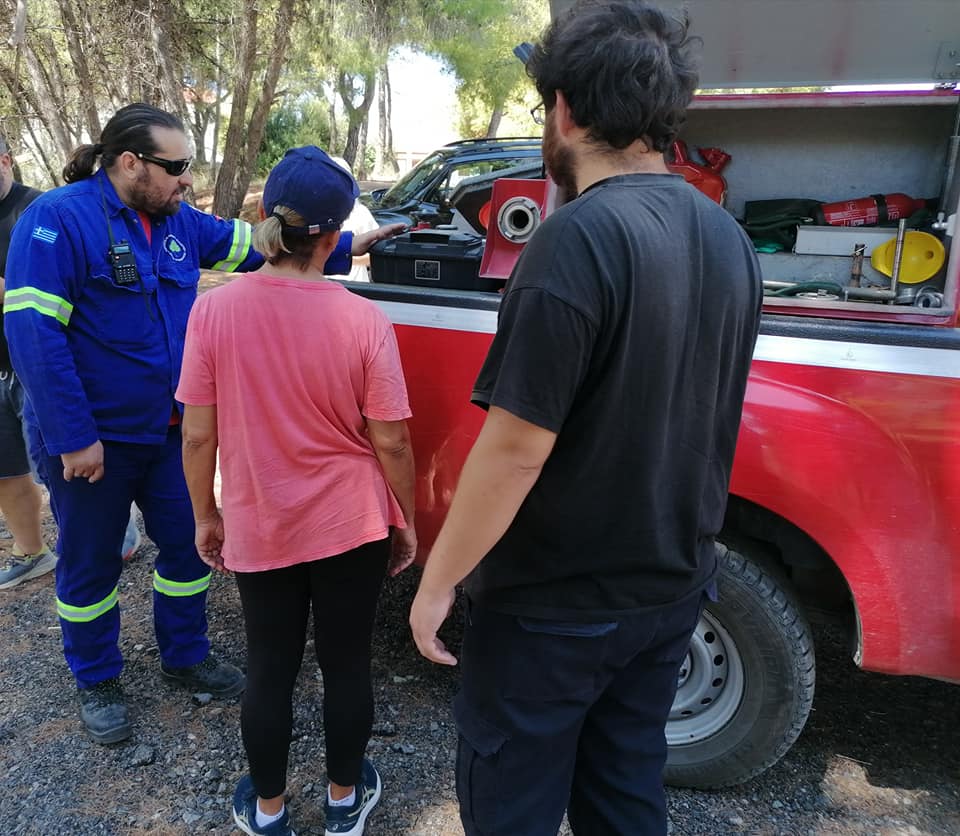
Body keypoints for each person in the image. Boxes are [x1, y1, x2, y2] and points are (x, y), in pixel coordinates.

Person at [409, 4, 763, 836]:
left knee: (514, 804)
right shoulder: (726, 236)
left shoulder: (574, 241)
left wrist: (437, 581)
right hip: (672, 588)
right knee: (626, 788)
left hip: (555, 612)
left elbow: (515, 450)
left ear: (564, 111)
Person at [2, 104, 382, 746]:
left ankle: (185, 655)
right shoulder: (57, 220)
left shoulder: (177, 221)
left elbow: (254, 245)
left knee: (189, 549)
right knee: (90, 566)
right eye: (176, 167)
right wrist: (74, 436)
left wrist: (342, 244)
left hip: (172, 432)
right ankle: (96, 676)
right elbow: (33, 335)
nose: (187, 179)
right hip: (95, 440)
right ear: (130, 163)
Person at [177, 145, 416, 836]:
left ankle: (271, 810)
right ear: (335, 238)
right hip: (352, 520)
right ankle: (344, 803)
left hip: (263, 521)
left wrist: (206, 516)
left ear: (262, 218)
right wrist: (403, 519)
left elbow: (198, 439)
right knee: (346, 664)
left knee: (269, 667)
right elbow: (392, 440)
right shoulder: (362, 319)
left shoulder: (214, 314)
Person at [0, 135, 51, 589]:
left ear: (5, 160)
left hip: (34, 368)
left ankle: (117, 532)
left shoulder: (38, 211)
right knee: (6, 469)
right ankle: (32, 551)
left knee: (62, 465)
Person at [325, 155, 380, 282]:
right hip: (324, 289)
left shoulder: (361, 213)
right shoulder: (316, 214)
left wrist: (347, 258)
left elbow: (374, 255)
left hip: (356, 287)